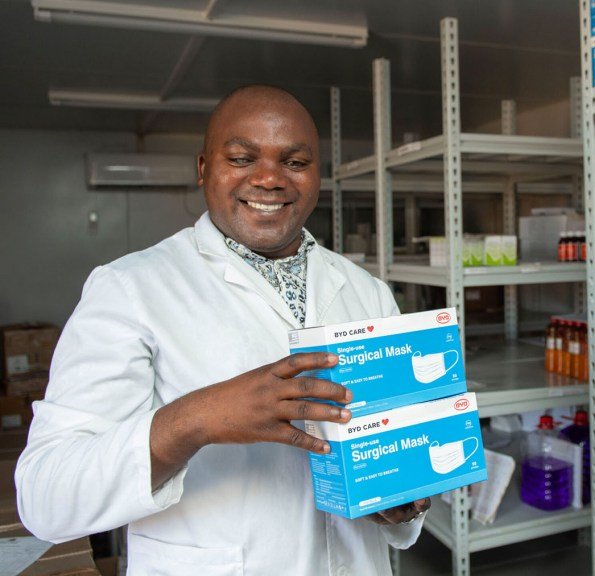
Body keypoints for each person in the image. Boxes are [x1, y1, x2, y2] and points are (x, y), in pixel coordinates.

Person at [15, 85, 429, 575]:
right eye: (241, 157)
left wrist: (401, 503)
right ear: (203, 168)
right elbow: (45, 499)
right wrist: (195, 420)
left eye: (295, 162)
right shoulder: (130, 288)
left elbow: (399, 473)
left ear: (318, 175)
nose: (270, 179)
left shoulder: (369, 292)